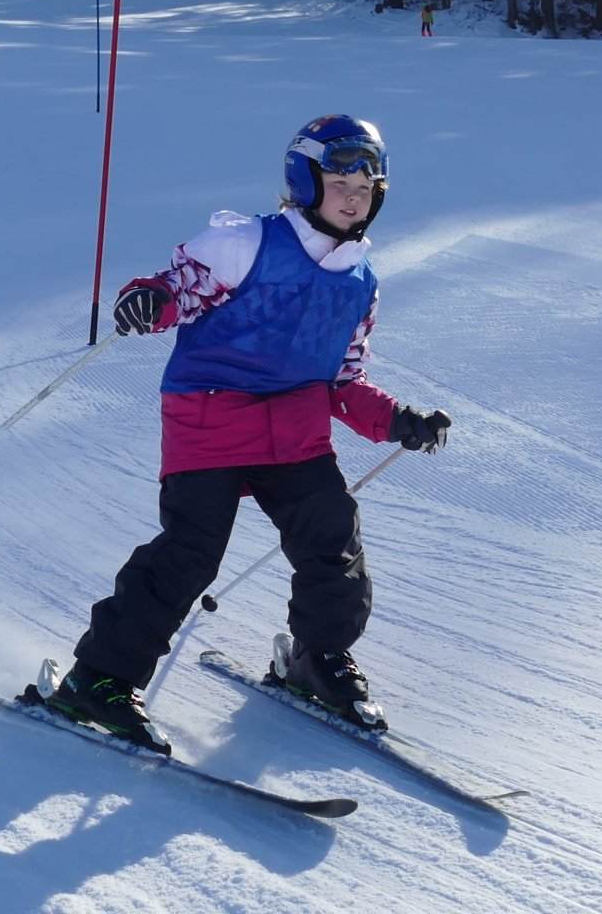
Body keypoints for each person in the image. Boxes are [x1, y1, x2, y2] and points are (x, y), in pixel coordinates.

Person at [47, 116, 451, 753]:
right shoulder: (244, 243)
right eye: (339, 182)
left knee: (331, 532)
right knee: (191, 552)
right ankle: (99, 678)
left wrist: (398, 419)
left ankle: (317, 658)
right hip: (212, 418)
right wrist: (149, 300)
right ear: (306, 182)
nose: (353, 196)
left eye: (365, 186)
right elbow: (177, 288)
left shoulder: (360, 282)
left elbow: (343, 380)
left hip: (295, 430)